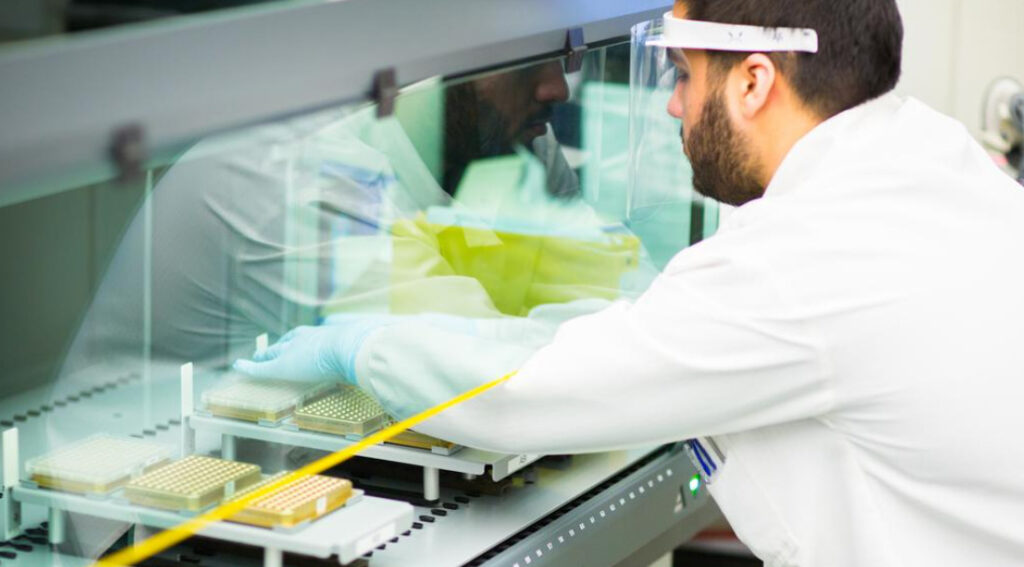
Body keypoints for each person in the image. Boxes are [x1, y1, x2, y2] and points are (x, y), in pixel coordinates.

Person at [235, 1, 1024, 566]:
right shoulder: (922, 155)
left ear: (753, 81)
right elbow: (658, 327)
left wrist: (361, 347)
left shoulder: (809, 262)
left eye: (684, 74)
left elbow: (526, 397)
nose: (676, 104)